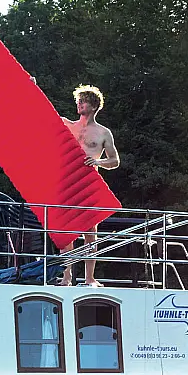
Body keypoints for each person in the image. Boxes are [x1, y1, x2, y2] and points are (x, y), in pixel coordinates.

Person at [59, 85, 120, 286]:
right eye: (79, 100)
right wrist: (31, 87)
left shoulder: (103, 132)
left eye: (83, 101)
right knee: (66, 231)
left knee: (90, 232)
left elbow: (115, 161)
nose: (79, 104)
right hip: (67, 182)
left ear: (93, 106)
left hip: (89, 183)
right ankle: (66, 277)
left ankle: (90, 278)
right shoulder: (67, 124)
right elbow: (40, 114)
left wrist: (98, 162)